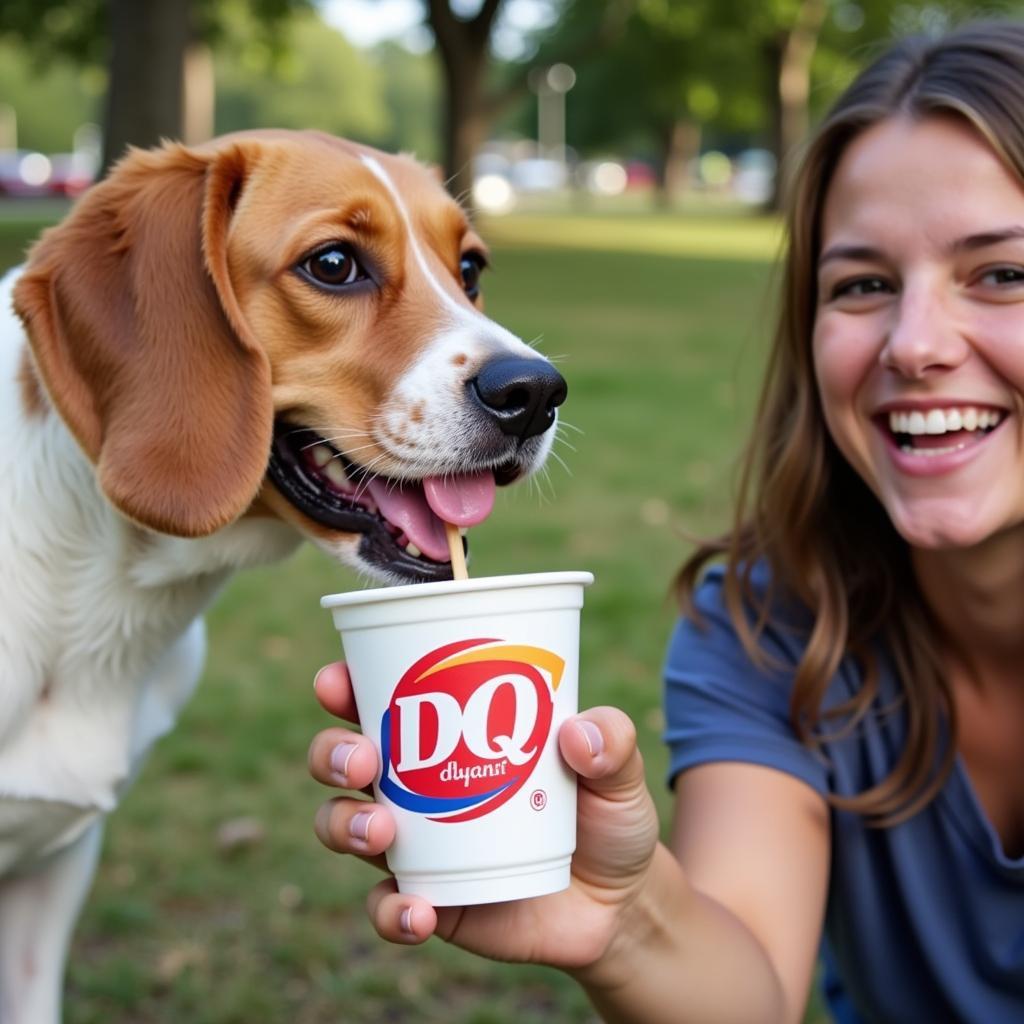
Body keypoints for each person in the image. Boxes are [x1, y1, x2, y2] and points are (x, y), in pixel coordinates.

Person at [306, 19, 1024, 1022]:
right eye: (861, 284)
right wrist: (618, 916)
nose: (914, 344)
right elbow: (750, 994)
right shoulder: (770, 629)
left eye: (1001, 273)